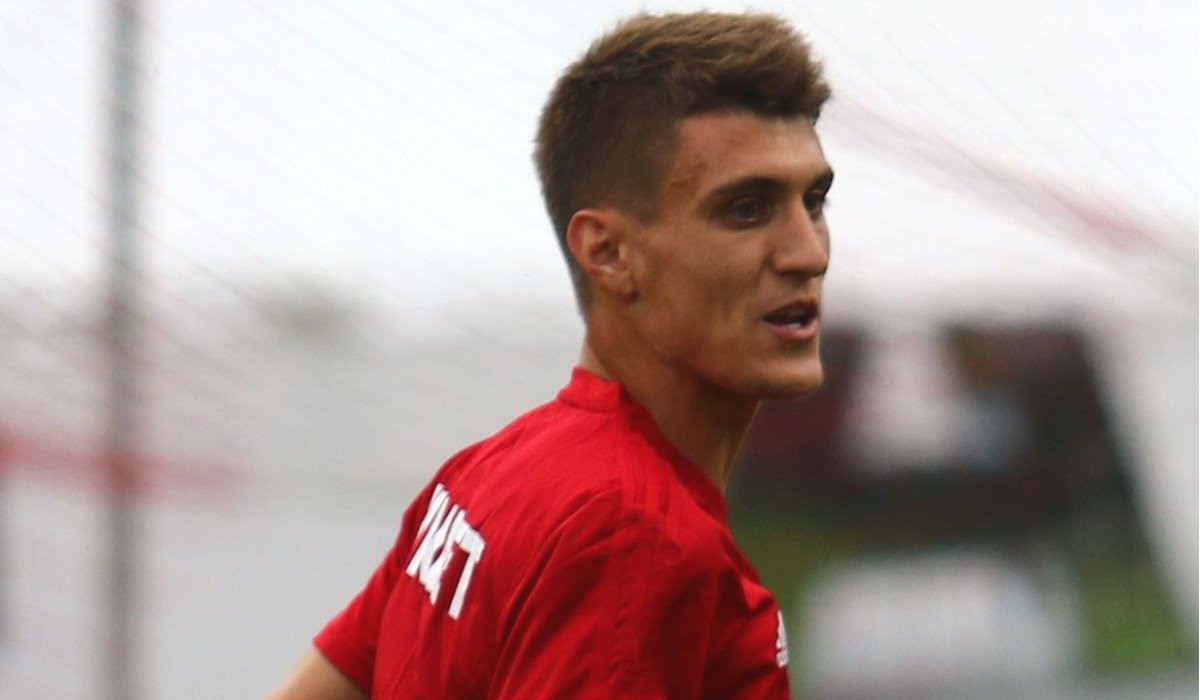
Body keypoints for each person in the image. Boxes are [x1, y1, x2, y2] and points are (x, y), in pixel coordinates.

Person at [270, 10, 833, 699]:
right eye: (746, 209)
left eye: (814, 201)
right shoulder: (634, 535)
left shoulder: (490, 471)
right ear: (608, 253)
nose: (808, 252)